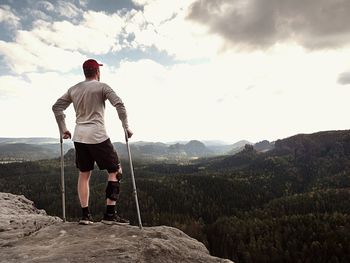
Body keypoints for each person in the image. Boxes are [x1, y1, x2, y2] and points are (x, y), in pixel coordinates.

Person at [52, 59, 133, 225]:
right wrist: (126, 127)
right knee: (116, 170)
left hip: (79, 136)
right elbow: (119, 104)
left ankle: (85, 216)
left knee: (84, 174)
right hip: (98, 136)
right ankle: (110, 215)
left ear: (84, 72)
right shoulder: (102, 87)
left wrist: (63, 129)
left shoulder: (73, 89)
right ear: (97, 71)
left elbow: (56, 107)